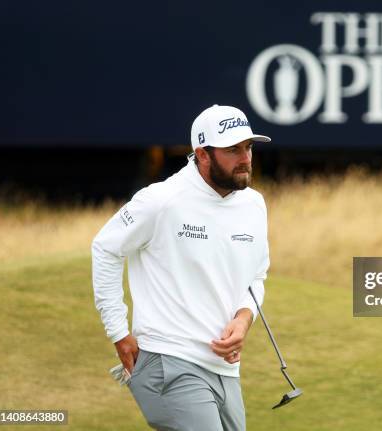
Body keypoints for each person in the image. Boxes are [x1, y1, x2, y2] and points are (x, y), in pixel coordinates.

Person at [91, 104, 271, 431]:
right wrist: (118, 332)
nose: (245, 158)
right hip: (168, 362)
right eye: (232, 150)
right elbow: (105, 247)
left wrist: (243, 320)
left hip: (226, 370)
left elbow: (256, 276)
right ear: (202, 154)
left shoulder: (254, 205)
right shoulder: (161, 200)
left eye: (248, 147)